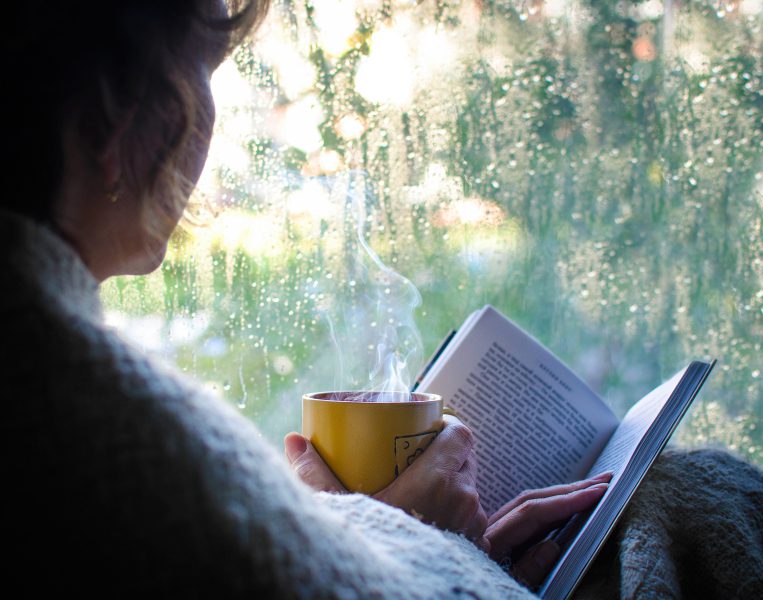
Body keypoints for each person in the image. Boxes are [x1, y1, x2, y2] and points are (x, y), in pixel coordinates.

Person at [0, 0, 610, 595]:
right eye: (207, 69)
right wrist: (430, 547)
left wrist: (351, 539)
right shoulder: (128, 448)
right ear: (117, 115)